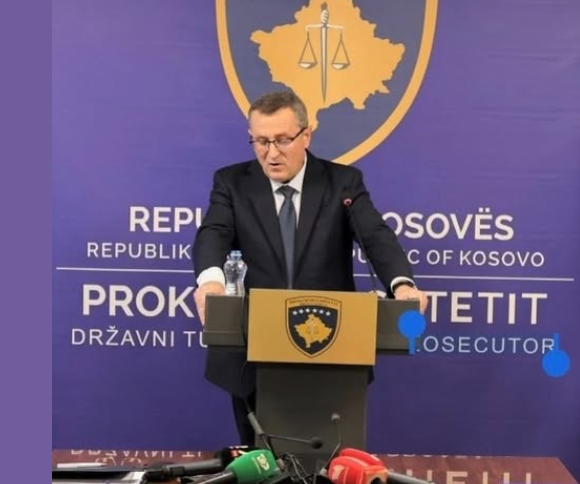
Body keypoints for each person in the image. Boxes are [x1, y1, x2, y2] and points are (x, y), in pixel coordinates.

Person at [193, 90, 428, 445]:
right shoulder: (231, 183)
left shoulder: (342, 183)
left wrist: (402, 285)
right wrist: (210, 282)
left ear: (306, 135)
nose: (271, 153)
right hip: (252, 353)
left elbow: (376, 236)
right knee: (261, 462)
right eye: (261, 141)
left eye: (282, 140)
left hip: (330, 349)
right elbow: (214, 233)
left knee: (325, 462)